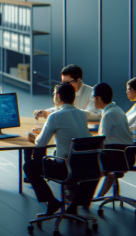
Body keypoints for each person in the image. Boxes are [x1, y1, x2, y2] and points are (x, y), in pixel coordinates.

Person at [24, 83, 98, 216]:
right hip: (87, 167)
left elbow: (40, 143)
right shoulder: (81, 115)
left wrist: (36, 136)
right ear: (73, 97)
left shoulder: (55, 116)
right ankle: (74, 206)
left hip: (65, 168)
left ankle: (52, 202)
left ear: (57, 97)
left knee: (29, 166)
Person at [90, 82, 134, 199]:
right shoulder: (117, 110)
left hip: (116, 156)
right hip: (126, 155)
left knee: (88, 161)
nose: (92, 101)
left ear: (99, 98)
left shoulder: (109, 115)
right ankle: (98, 197)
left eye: (93, 98)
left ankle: (85, 198)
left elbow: (101, 140)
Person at [33, 64, 100, 121]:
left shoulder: (92, 92)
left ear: (78, 80)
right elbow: (61, 109)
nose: (65, 85)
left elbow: (92, 115)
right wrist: (46, 112)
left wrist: (69, 112)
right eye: (63, 82)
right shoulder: (65, 91)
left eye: (68, 82)